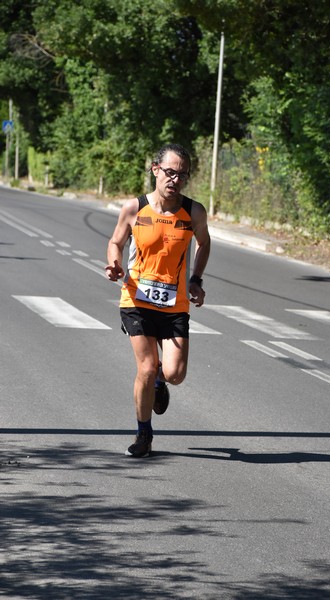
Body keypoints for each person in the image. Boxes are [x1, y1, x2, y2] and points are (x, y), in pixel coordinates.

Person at [105, 143, 211, 458]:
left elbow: (203, 244)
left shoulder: (193, 211)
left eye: (182, 175)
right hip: (136, 299)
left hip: (174, 305)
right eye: (170, 172)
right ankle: (144, 435)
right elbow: (116, 241)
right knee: (147, 366)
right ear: (155, 170)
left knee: (175, 374)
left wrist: (196, 279)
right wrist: (115, 263)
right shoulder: (134, 208)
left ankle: (158, 384)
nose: (175, 180)